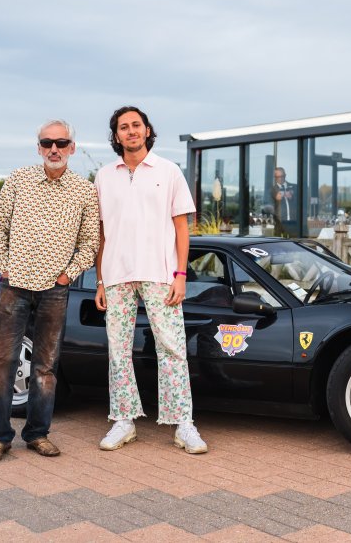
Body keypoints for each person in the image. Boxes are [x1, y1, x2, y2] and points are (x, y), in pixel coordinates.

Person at [0, 119, 100, 465]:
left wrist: (67, 275)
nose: (54, 149)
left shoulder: (84, 191)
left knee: (45, 367)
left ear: (72, 148)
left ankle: (37, 434)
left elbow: (90, 242)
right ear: (38, 148)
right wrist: (4, 266)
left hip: (54, 290)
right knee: (3, 362)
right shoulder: (19, 179)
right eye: (47, 143)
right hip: (14, 286)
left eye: (61, 143)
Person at [93, 106, 206, 454]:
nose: (131, 131)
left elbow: (182, 228)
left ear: (146, 130)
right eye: (123, 127)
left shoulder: (168, 171)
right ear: (116, 135)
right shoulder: (104, 176)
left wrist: (181, 275)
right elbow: (100, 233)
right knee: (118, 350)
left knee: (172, 348)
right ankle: (123, 420)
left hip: (160, 274)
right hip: (116, 276)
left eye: (136, 125)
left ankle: (183, 423)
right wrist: (100, 280)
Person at [271, 166, 297, 237]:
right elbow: (268, 205)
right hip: (279, 223)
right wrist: (276, 198)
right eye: (278, 177)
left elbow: (302, 201)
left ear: (285, 175)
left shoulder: (294, 187)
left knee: (294, 242)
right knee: (278, 242)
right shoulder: (272, 190)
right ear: (275, 177)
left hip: (293, 222)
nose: (280, 178)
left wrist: (292, 197)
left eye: (282, 176)